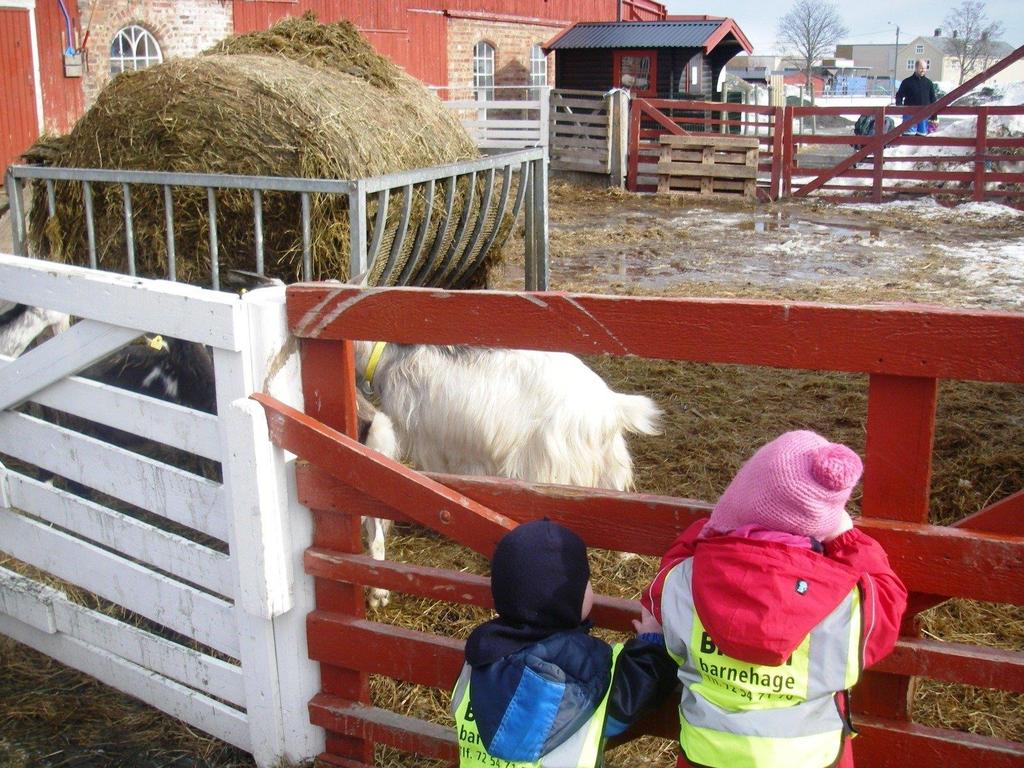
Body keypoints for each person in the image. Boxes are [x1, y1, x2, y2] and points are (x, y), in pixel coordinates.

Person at [642, 430, 908, 768]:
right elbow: (888, 598)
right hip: (813, 758)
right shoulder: (847, 602)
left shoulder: (683, 582)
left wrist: (710, 528)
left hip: (707, 755)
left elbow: (662, 586)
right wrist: (847, 538)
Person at [452, 519, 678, 767]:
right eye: (586, 581)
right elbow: (630, 699)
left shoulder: (479, 655)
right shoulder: (587, 665)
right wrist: (651, 641)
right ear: (569, 596)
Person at [895, 60, 937, 135]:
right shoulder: (907, 82)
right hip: (909, 113)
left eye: (924, 68)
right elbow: (899, 95)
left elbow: (933, 99)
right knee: (908, 135)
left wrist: (934, 114)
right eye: (921, 68)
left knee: (922, 135)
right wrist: (899, 107)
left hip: (924, 113)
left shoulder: (929, 83)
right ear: (916, 68)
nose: (923, 70)